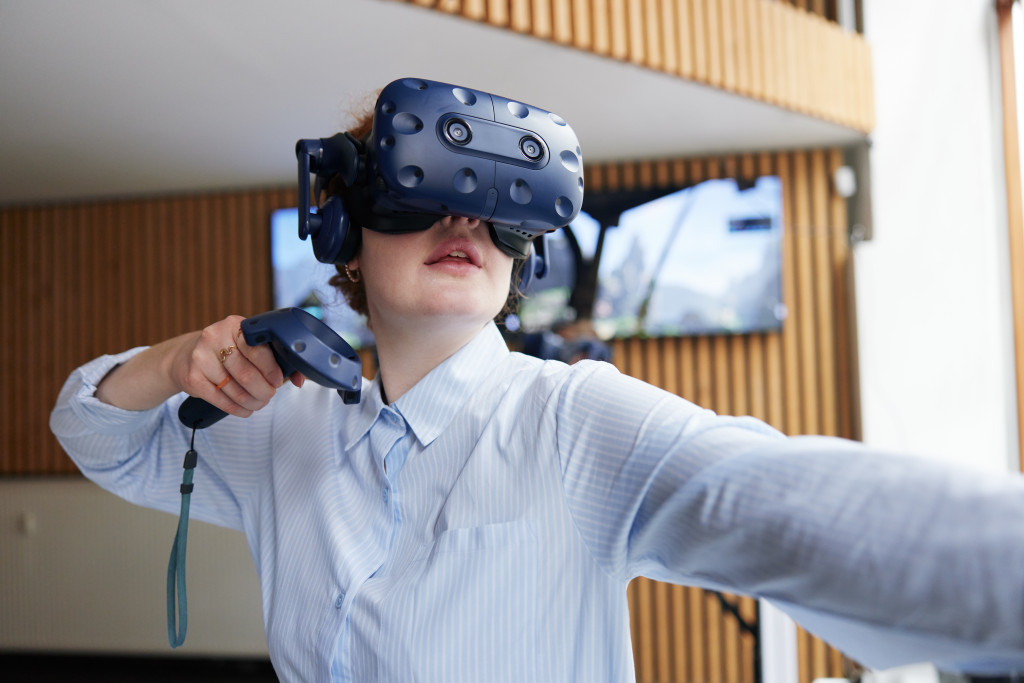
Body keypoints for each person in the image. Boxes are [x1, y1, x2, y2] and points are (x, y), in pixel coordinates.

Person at [51, 96, 1024, 683]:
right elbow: (97, 429)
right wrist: (182, 356)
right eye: (418, 184)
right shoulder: (283, 423)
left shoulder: (571, 418)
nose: (462, 218)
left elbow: (798, 502)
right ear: (346, 230)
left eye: (493, 201)